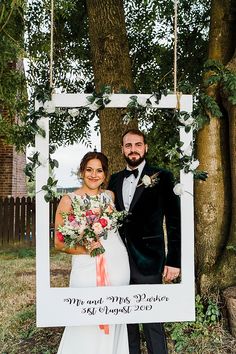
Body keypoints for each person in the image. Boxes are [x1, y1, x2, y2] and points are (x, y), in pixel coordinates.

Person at [108, 129, 181, 354]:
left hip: (150, 258)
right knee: (126, 318)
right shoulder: (114, 179)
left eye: (137, 145)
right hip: (119, 260)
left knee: (152, 320)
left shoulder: (163, 176)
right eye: (128, 145)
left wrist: (174, 261)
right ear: (122, 149)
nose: (133, 150)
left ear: (145, 147)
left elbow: (174, 222)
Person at [55, 151, 130, 354]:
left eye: (99, 170)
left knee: (114, 315)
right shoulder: (68, 200)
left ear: (105, 175)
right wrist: (88, 249)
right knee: (84, 318)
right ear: (81, 171)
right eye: (89, 170)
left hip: (118, 264)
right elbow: (59, 244)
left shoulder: (110, 196)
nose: (94, 175)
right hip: (86, 266)